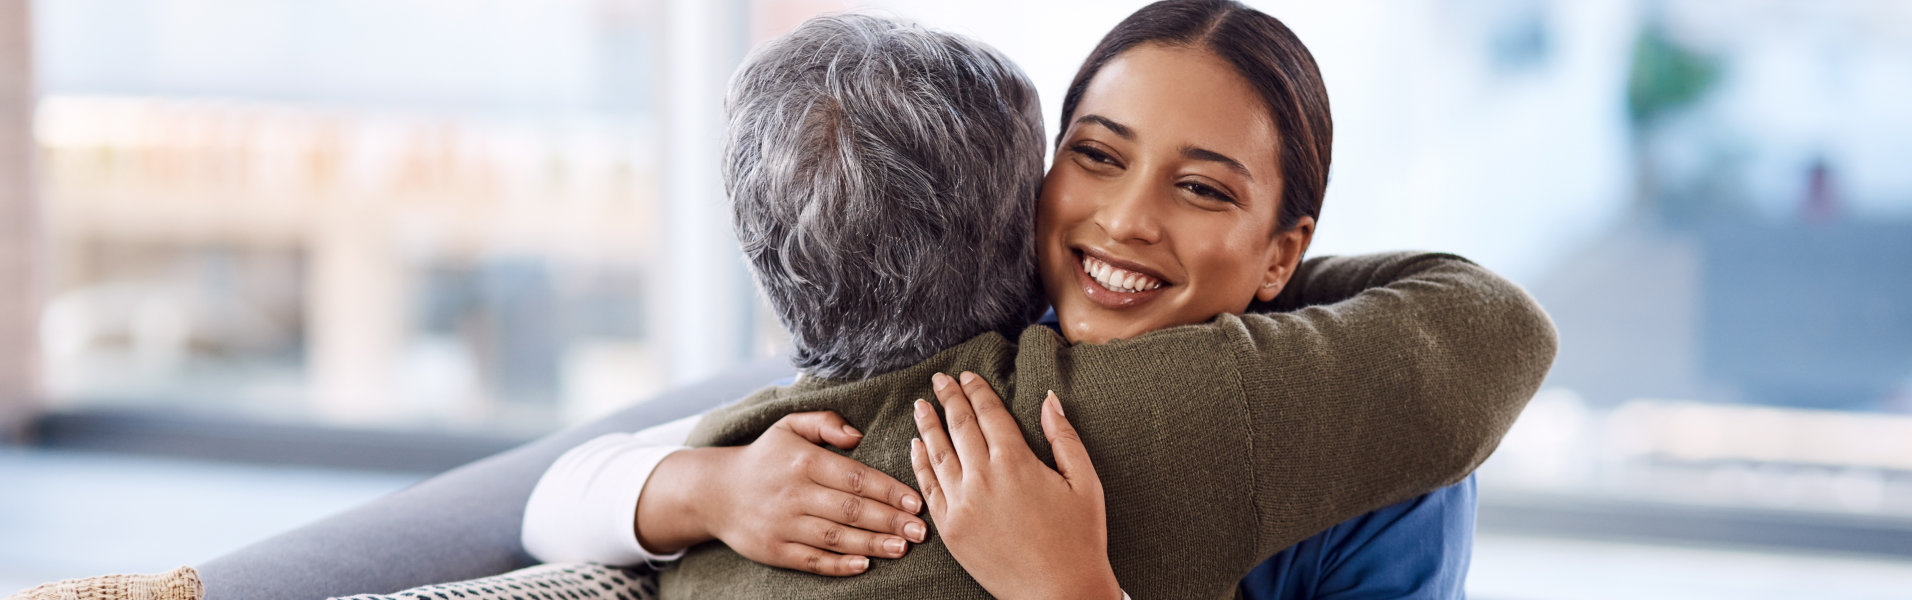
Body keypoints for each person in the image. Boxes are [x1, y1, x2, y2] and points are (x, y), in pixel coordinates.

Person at [518, 4, 1553, 600]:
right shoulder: (976, 335)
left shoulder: (1378, 438)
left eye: (1202, 190)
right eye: (1097, 157)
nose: (1128, 219)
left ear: (1285, 253)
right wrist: (710, 491)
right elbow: (560, 496)